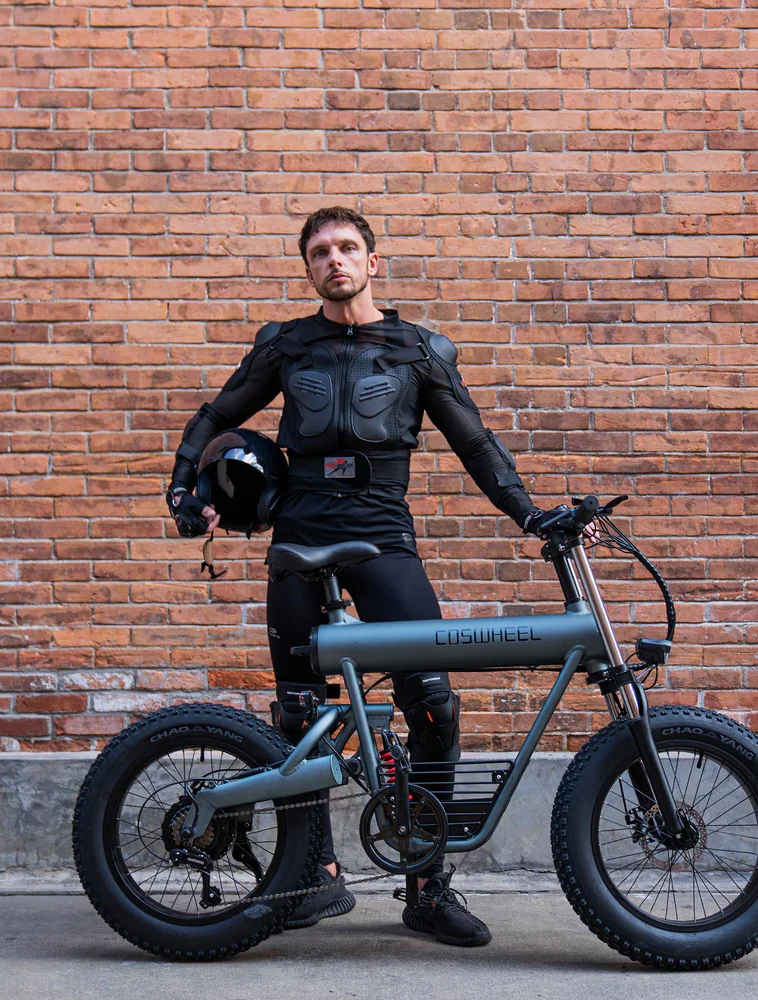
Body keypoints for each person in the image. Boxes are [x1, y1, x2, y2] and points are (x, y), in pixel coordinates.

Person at [165, 206, 552, 947]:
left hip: (381, 535)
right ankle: (317, 880)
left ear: (374, 262)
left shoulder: (418, 350)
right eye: (319, 252)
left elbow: (476, 444)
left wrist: (531, 515)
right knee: (297, 721)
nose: (334, 260)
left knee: (433, 705)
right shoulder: (285, 346)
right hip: (301, 536)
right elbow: (216, 415)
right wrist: (184, 492)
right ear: (308, 268)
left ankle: (428, 886)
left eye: (347, 249)